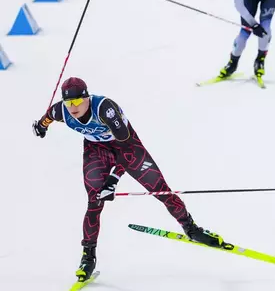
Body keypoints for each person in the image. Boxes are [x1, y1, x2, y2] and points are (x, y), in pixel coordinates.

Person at [32, 77, 224, 283]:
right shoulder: (60, 110)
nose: (73, 107)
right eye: (69, 103)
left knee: (161, 190)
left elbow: (126, 151)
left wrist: (113, 180)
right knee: (94, 201)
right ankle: (88, 257)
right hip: (96, 151)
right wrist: (41, 127)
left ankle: (191, 229)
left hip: (128, 148)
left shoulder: (106, 109)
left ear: (87, 97)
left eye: (78, 101)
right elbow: (47, 118)